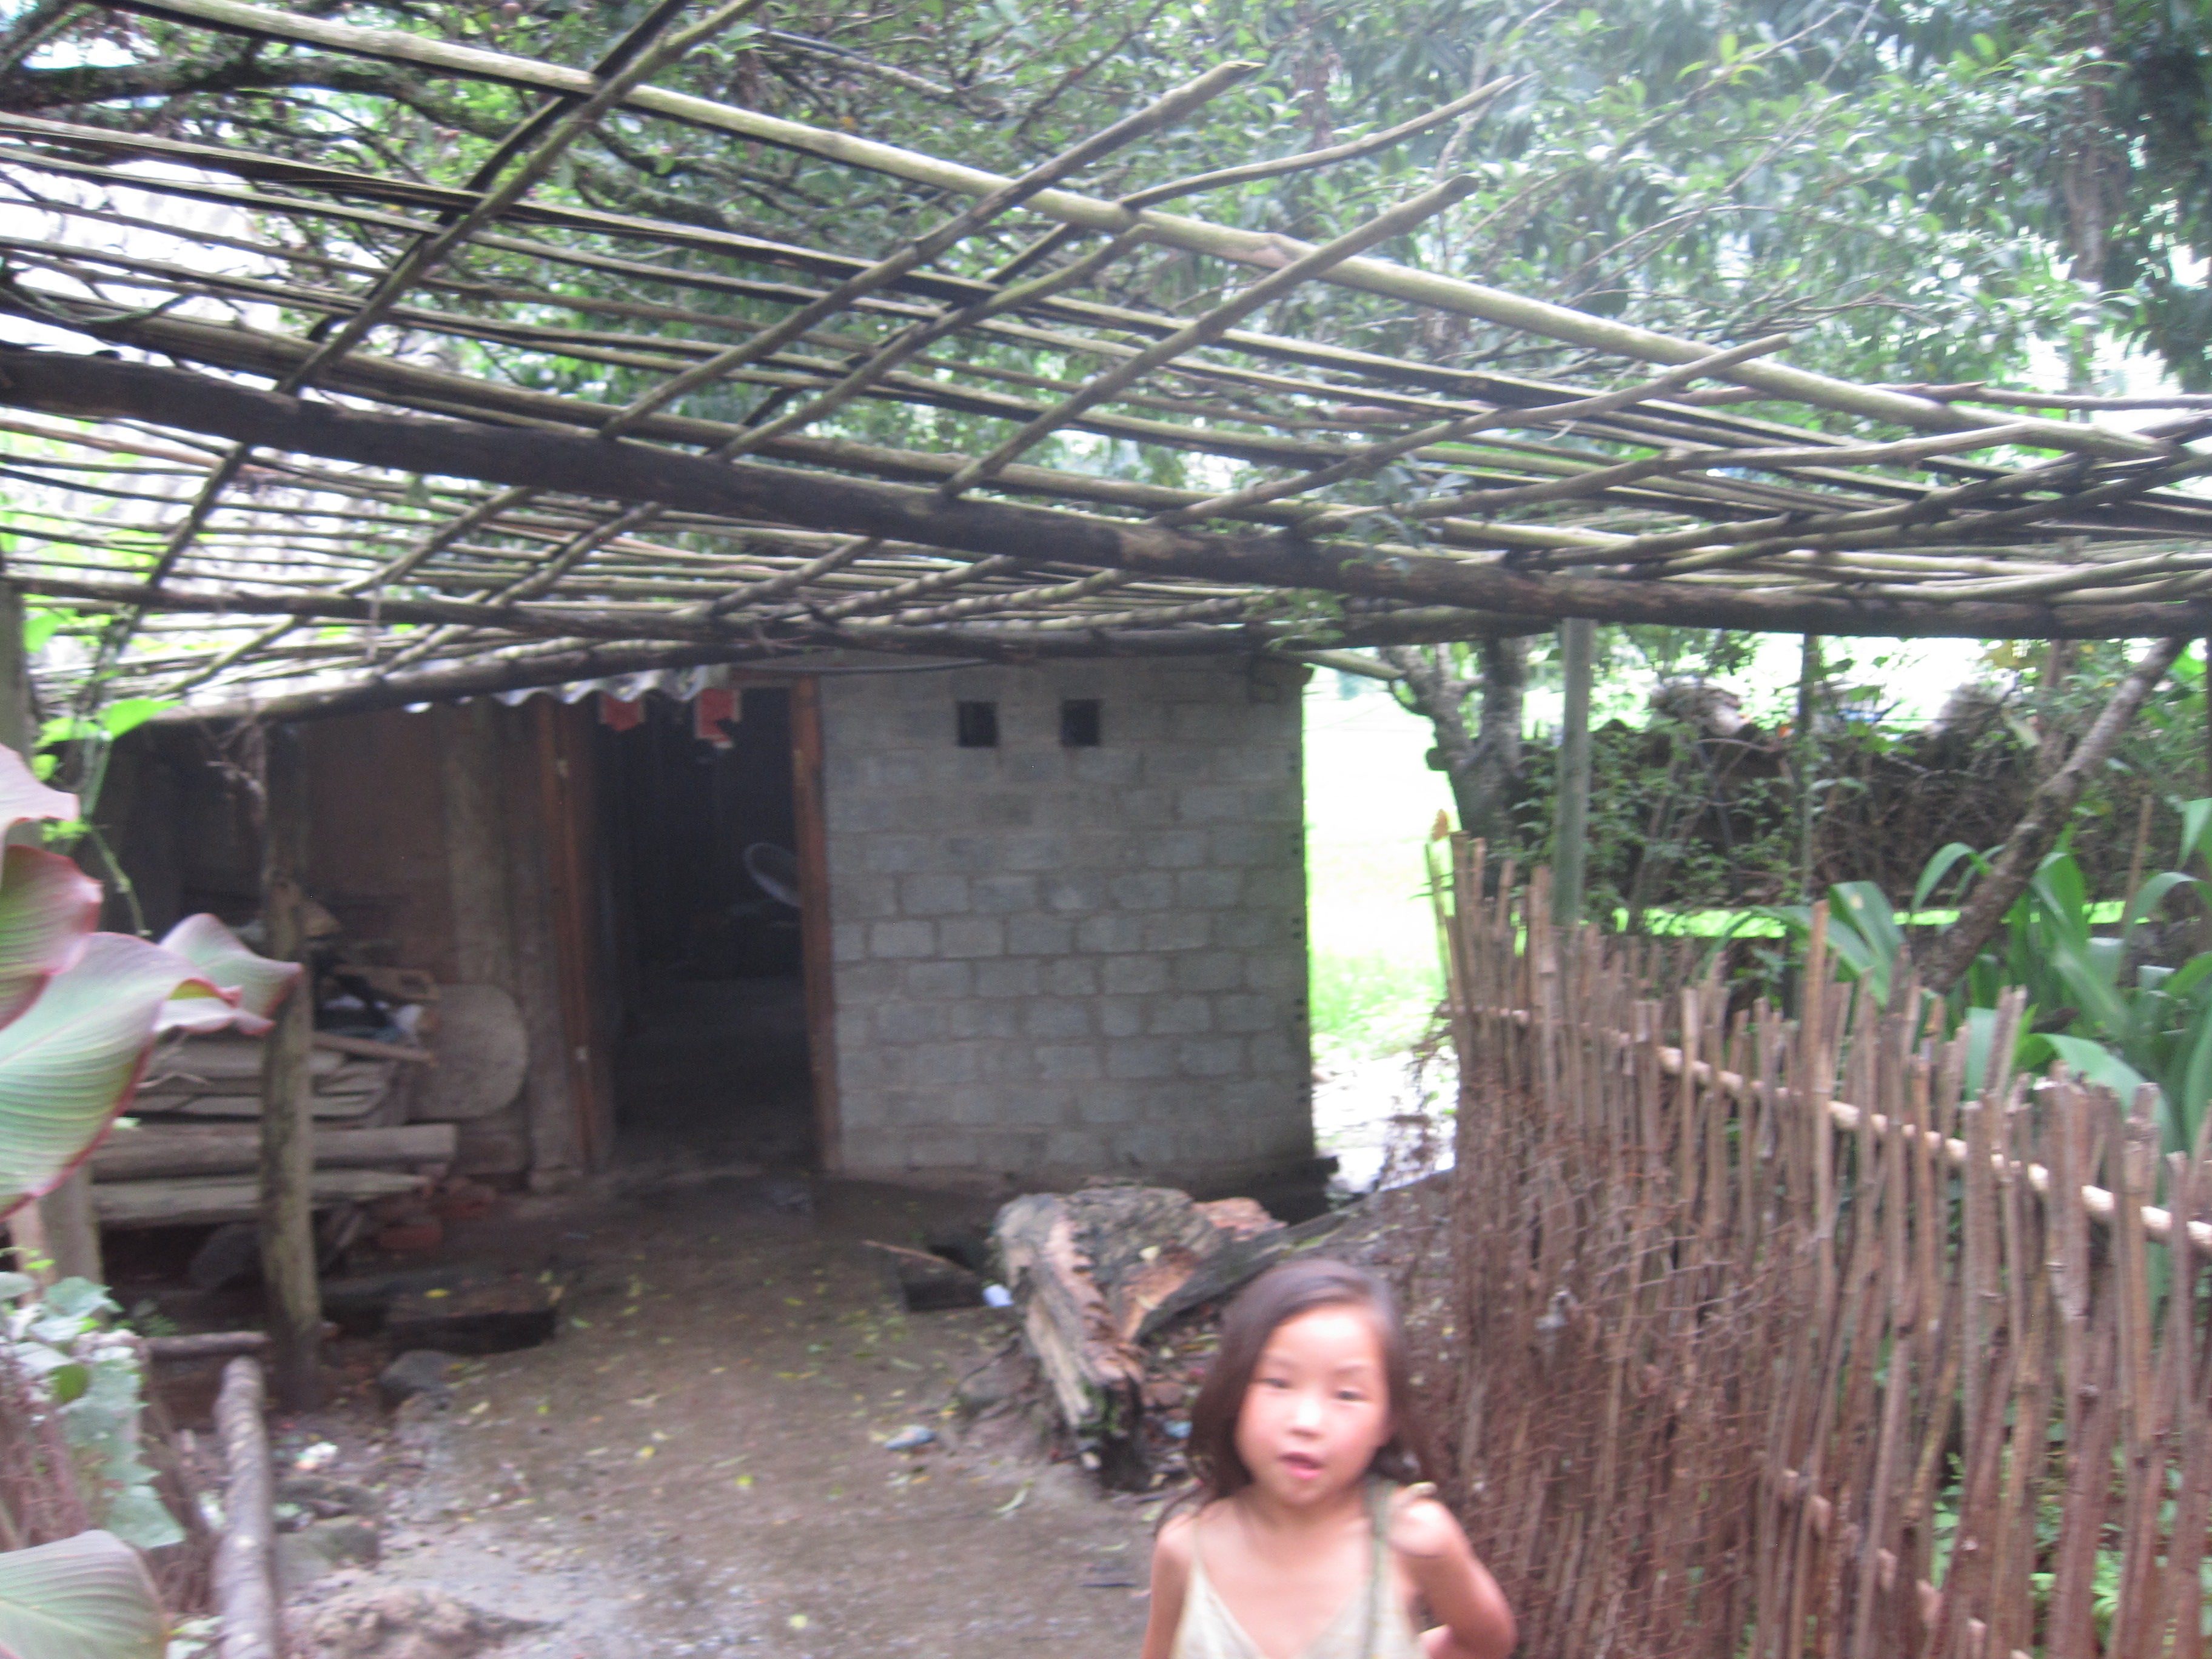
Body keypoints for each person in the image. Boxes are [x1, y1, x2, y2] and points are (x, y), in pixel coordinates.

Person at [1141, 1259, 1515, 1659]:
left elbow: (1485, 1640)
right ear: (1234, 1394)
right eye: (1278, 1383)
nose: (1307, 1422)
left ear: (1387, 1422)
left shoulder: (1415, 1538)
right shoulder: (1186, 1550)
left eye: (1347, 1395)